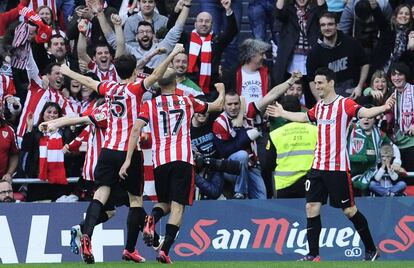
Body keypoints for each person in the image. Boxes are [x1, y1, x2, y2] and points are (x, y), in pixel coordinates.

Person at [59, 44, 186, 264]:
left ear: (116, 71)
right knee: (135, 200)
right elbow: (157, 75)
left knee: (100, 194)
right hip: (128, 151)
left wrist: (69, 72)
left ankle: (86, 234)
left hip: (107, 150)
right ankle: (129, 249)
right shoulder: (135, 88)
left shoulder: (109, 87)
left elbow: (90, 82)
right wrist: (174, 53)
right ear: (135, 71)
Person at [266, 67, 395, 261]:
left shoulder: (344, 104)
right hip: (317, 166)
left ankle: (371, 249)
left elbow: (365, 112)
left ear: (331, 83)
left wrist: (384, 108)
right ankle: (313, 255)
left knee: (349, 210)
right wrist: (283, 112)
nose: (316, 86)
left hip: (337, 168)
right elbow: (304, 117)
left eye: (320, 83)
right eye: (315, 83)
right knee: (311, 207)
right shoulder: (319, 106)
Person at [119, 68, 225, 263]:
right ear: (176, 81)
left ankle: (151, 218)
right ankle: (164, 251)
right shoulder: (187, 100)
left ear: (158, 84)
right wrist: (222, 89)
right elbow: (217, 106)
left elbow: (136, 128)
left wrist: (127, 158)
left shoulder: (149, 105)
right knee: (178, 208)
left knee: (165, 203)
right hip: (182, 160)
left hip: (160, 162)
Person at [213, 72, 302, 199]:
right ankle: (240, 193)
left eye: (236, 104)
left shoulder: (248, 112)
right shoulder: (220, 123)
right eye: (229, 104)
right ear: (224, 105)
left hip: (251, 166)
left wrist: (290, 81)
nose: (233, 107)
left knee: (262, 198)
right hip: (230, 169)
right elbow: (224, 151)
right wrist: (245, 136)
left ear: (240, 103)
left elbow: (272, 95)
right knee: (242, 155)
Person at [306, 12, 369, 100]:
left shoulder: (351, 42)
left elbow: (365, 64)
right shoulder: (314, 52)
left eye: (330, 24)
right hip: (328, 98)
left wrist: (359, 86)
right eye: (323, 25)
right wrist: (320, 101)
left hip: (352, 96)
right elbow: (311, 80)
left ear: (337, 25)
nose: (326, 28)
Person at [266, 95, 317, 198]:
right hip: (311, 182)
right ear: (300, 109)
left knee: (287, 214)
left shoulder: (275, 134)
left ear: (281, 111)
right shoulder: (315, 130)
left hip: (285, 184)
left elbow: (268, 164)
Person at [186, 0, 238, 96]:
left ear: (212, 25)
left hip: (210, 88)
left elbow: (232, 31)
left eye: (207, 21)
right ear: (195, 24)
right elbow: (172, 27)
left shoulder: (217, 41)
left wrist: (228, 10)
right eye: (200, 21)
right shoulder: (186, 39)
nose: (204, 24)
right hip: (188, 86)